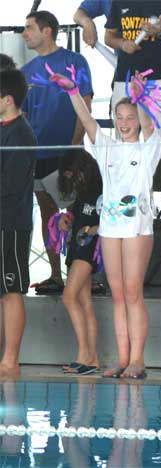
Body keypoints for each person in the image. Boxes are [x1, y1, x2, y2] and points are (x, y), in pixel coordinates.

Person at [59, 70, 161, 379]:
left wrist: (140, 97)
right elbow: (87, 120)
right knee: (117, 295)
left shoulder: (148, 147)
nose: (125, 122)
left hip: (137, 228)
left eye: (130, 117)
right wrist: (73, 91)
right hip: (110, 228)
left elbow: (149, 125)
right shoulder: (107, 147)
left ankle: (137, 360)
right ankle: (122, 357)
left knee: (132, 293)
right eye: (120, 117)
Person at [21, 10, 94, 295]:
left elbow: (85, 105)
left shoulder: (75, 61)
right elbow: (24, 117)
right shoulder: (26, 71)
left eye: (29, 28)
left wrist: (74, 148)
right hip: (36, 156)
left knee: (78, 213)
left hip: (67, 154)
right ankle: (55, 276)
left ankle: (85, 275)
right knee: (48, 214)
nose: (24, 34)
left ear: (47, 30)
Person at [105, 0, 161, 160]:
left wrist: (159, 32)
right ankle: (126, 173)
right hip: (125, 77)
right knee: (124, 137)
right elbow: (109, 36)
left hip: (160, 78)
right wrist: (122, 44)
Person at [0, 68, 36, 378]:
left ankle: (11, 360)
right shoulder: (4, 129)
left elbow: (10, 186)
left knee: (11, 290)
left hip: (10, 224)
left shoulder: (20, 133)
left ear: (8, 100)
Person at [58, 149, 103, 375]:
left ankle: (84, 353)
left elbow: (112, 218)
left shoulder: (101, 190)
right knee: (85, 303)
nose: (74, 180)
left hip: (88, 249)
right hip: (77, 247)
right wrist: (66, 220)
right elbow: (78, 218)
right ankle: (92, 359)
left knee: (69, 297)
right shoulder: (82, 193)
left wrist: (92, 229)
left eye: (75, 175)